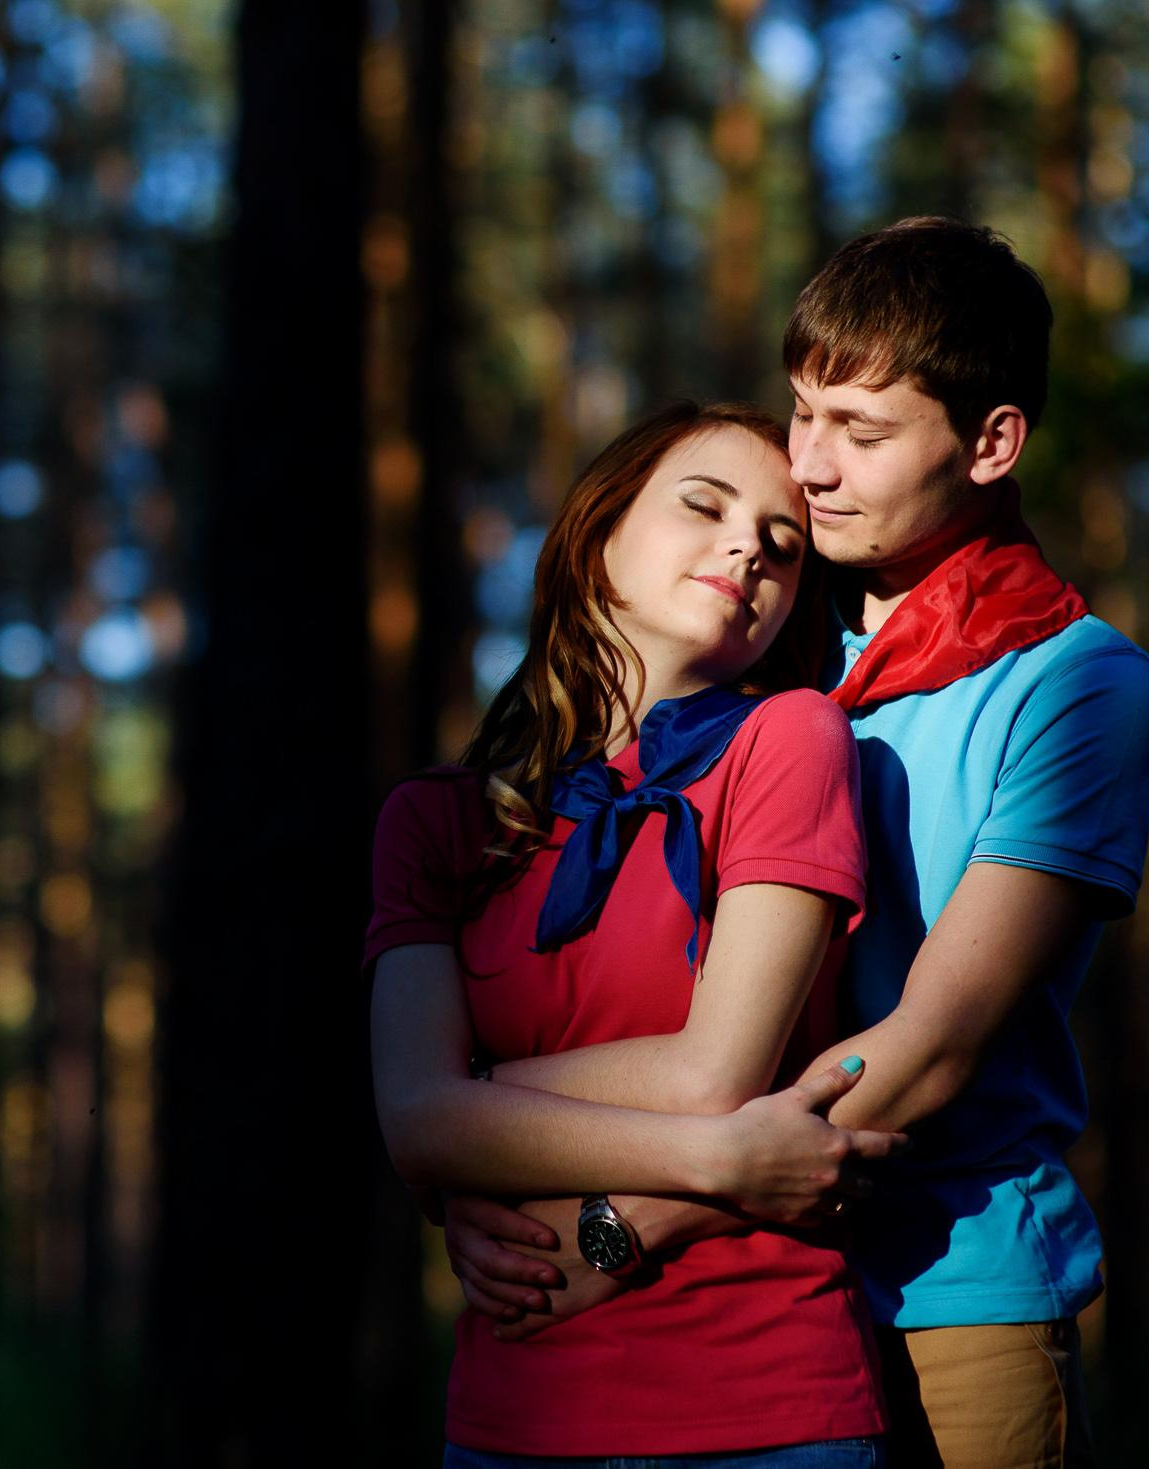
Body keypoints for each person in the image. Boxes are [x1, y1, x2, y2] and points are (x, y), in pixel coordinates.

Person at [444, 219, 1149, 1469]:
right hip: (739, 1305)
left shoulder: (1077, 683)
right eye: (803, 413)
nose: (811, 467)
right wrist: (487, 1175)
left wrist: (609, 1220)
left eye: (864, 431)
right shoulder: (766, 640)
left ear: (993, 442)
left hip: (951, 1291)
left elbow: (929, 1052)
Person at [367, 399, 908, 1466]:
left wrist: (471, 1108)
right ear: (594, 533)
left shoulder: (788, 738)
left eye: (783, 544)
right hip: (509, 1413)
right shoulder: (434, 821)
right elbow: (413, 1122)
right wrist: (724, 1159)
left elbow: (715, 1069)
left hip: (765, 1405)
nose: (749, 544)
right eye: (704, 505)